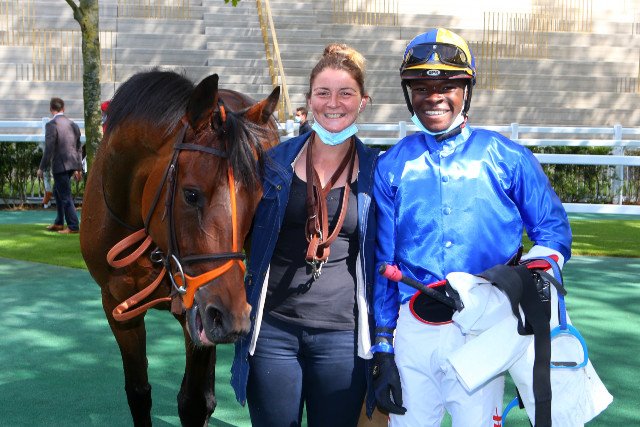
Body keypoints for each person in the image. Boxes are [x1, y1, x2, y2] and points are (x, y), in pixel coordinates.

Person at [370, 28, 572, 426]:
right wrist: (383, 347)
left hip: (486, 327)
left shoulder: (508, 157)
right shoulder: (390, 166)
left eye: (447, 86)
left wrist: (530, 276)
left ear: (467, 90)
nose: (433, 97)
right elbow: (384, 262)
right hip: (413, 331)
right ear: (408, 94)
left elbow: (553, 230)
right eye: (421, 87)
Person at [231, 43, 380, 427]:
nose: (334, 103)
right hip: (273, 331)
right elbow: (228, 225)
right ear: (310, 100)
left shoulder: (378, 172)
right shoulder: (273, 164)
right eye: (323, 93)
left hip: (343, 337)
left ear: (362, 101)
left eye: (345, 93)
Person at [37, 97, 83, 234]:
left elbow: (49, 148)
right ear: (63, 108)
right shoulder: (73, 124)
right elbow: (79, 147)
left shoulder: (51, 125)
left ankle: (73, 226)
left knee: (65, 196)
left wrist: (41, 168)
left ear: (51, 109)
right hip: (72, 163)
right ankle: (59, 222)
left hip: (60, 165)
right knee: (58, 192)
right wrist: (78, 168)